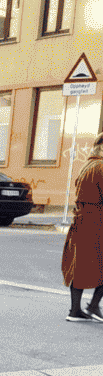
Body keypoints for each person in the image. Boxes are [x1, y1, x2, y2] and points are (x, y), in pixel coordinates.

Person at [61, 132, 103, 322]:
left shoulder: (87, 165)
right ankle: (93, 306)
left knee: (80, 264)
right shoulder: (101, 167)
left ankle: (75, 310)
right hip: (97, 221)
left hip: (82, 220)